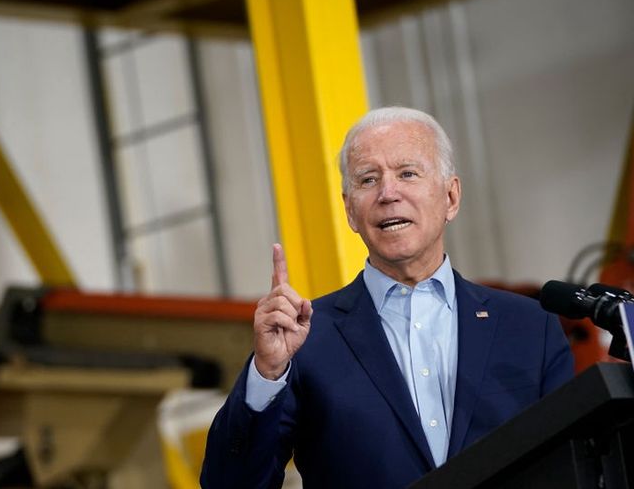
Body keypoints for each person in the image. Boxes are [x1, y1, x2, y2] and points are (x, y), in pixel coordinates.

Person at [200, 107, 573, 488]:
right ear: (349, 210)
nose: (388, 194)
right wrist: (267, 374)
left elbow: (573, 466)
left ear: (450, 196)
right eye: (368, 179)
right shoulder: (306, 337)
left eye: (407, 173)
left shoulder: (530, 327)